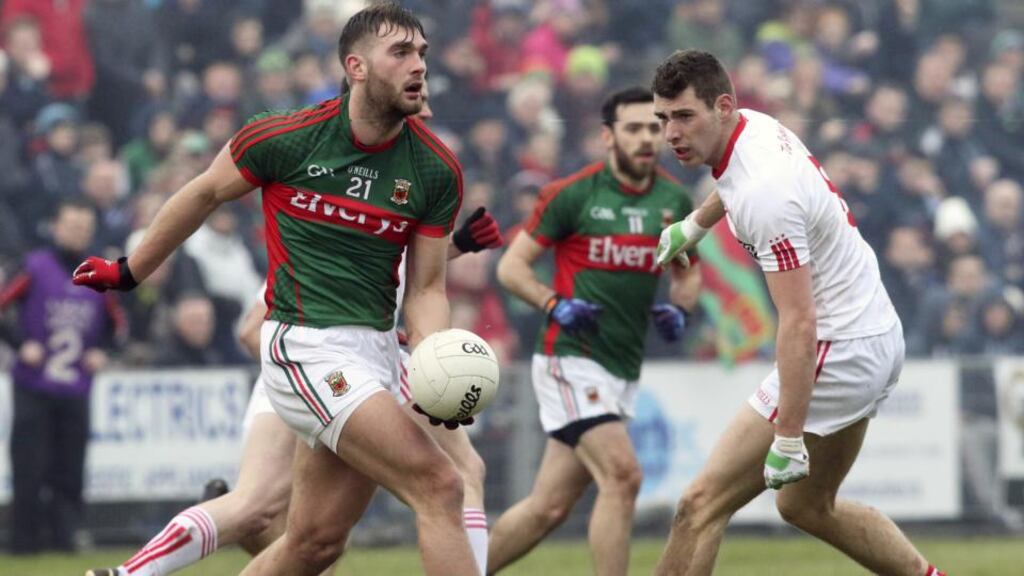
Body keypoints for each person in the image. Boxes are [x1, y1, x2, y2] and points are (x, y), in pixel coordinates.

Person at [74, 4, 479, 575]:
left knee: (314, 544)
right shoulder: (286, 137)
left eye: (422, 53)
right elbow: (203, 193)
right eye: (401, 52)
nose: (419, 65)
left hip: (376, 355)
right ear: (356, 67)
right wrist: (129, 270)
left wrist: (437, 365)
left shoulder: (436, 169)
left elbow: (427, 288)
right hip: (306, 347)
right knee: (441, 485)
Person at [651, 49, 946, 576]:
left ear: (722, 107)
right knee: (806, 505)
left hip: (838, 347)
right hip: (876, 331)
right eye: (664, 118)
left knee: (699, 506)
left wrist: (788, 435)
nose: (671, 133)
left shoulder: (767, 195)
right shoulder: (753, 126)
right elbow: (732, 182)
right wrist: (695, 225)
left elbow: (799, 320)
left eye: (685, 116)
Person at [488, 87, 701, 576]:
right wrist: (554, 304)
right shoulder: (572, 194)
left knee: (547, 508)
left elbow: (687, 273)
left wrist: (681, 310)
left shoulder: (673, 199)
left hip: (621, 366)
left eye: (654, 127)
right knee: (623, 477)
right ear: (608, 136)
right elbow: (511, 268)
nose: (647, 138)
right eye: (634, 128)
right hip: (571, 356)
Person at [1, 198, 123, 554]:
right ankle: (24, 540)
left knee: (70, 468)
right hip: (33, 384)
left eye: (84, 228)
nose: (78, 233)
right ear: (55, 227)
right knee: (30, 466)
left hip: (75, 388)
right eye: (72, 226)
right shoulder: (34, 265)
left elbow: (118, 326)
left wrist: (103, 350)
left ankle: (66, 536)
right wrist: (20, 343)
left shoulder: (99, 273)